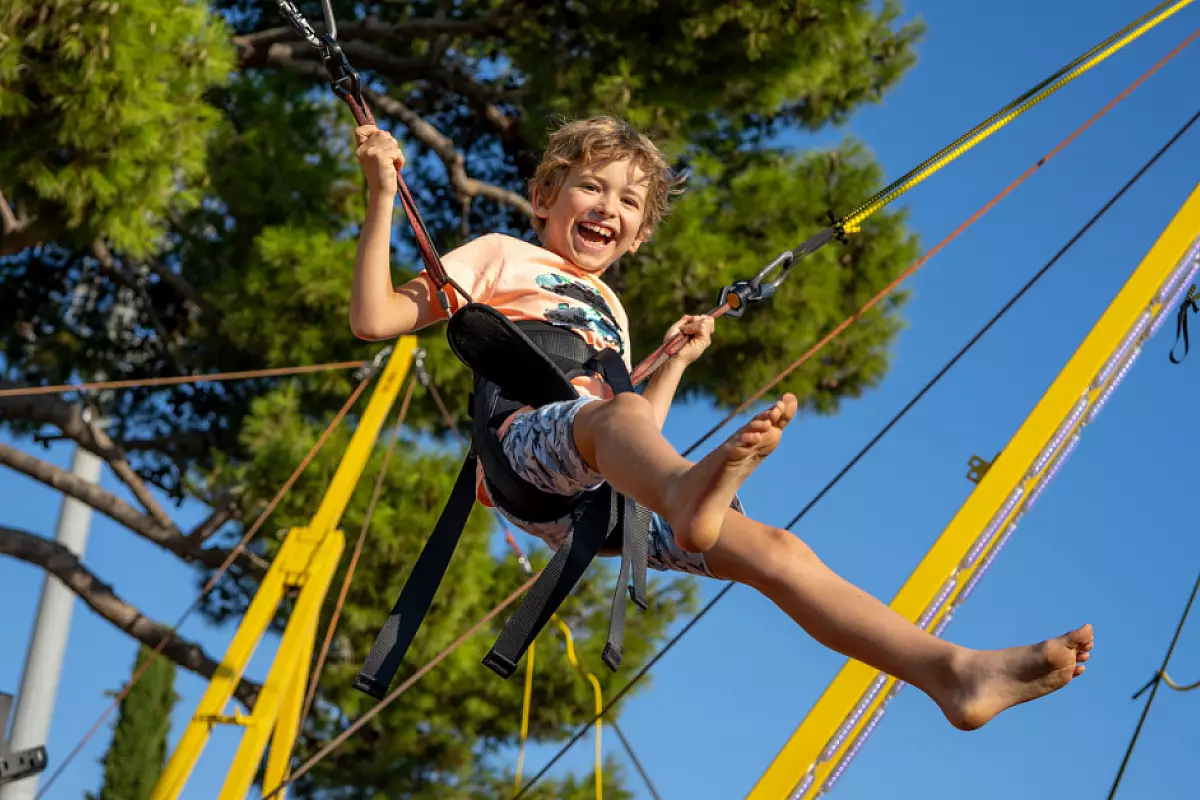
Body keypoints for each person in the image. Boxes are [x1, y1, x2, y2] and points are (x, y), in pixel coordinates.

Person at [349, 115, 1094, 731]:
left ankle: (952, 672)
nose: (609, 207)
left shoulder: (612, 311)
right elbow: (375, 318)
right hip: (525, 453)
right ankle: (691, 498)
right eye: (591, 187)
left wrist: (672, 363)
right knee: (628, 428)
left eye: (630, 203)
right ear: (545, 196)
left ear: (638, 236)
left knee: (775, 550)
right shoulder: (498, 255)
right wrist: (384, 192)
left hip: (607, 486)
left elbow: (638, 434)